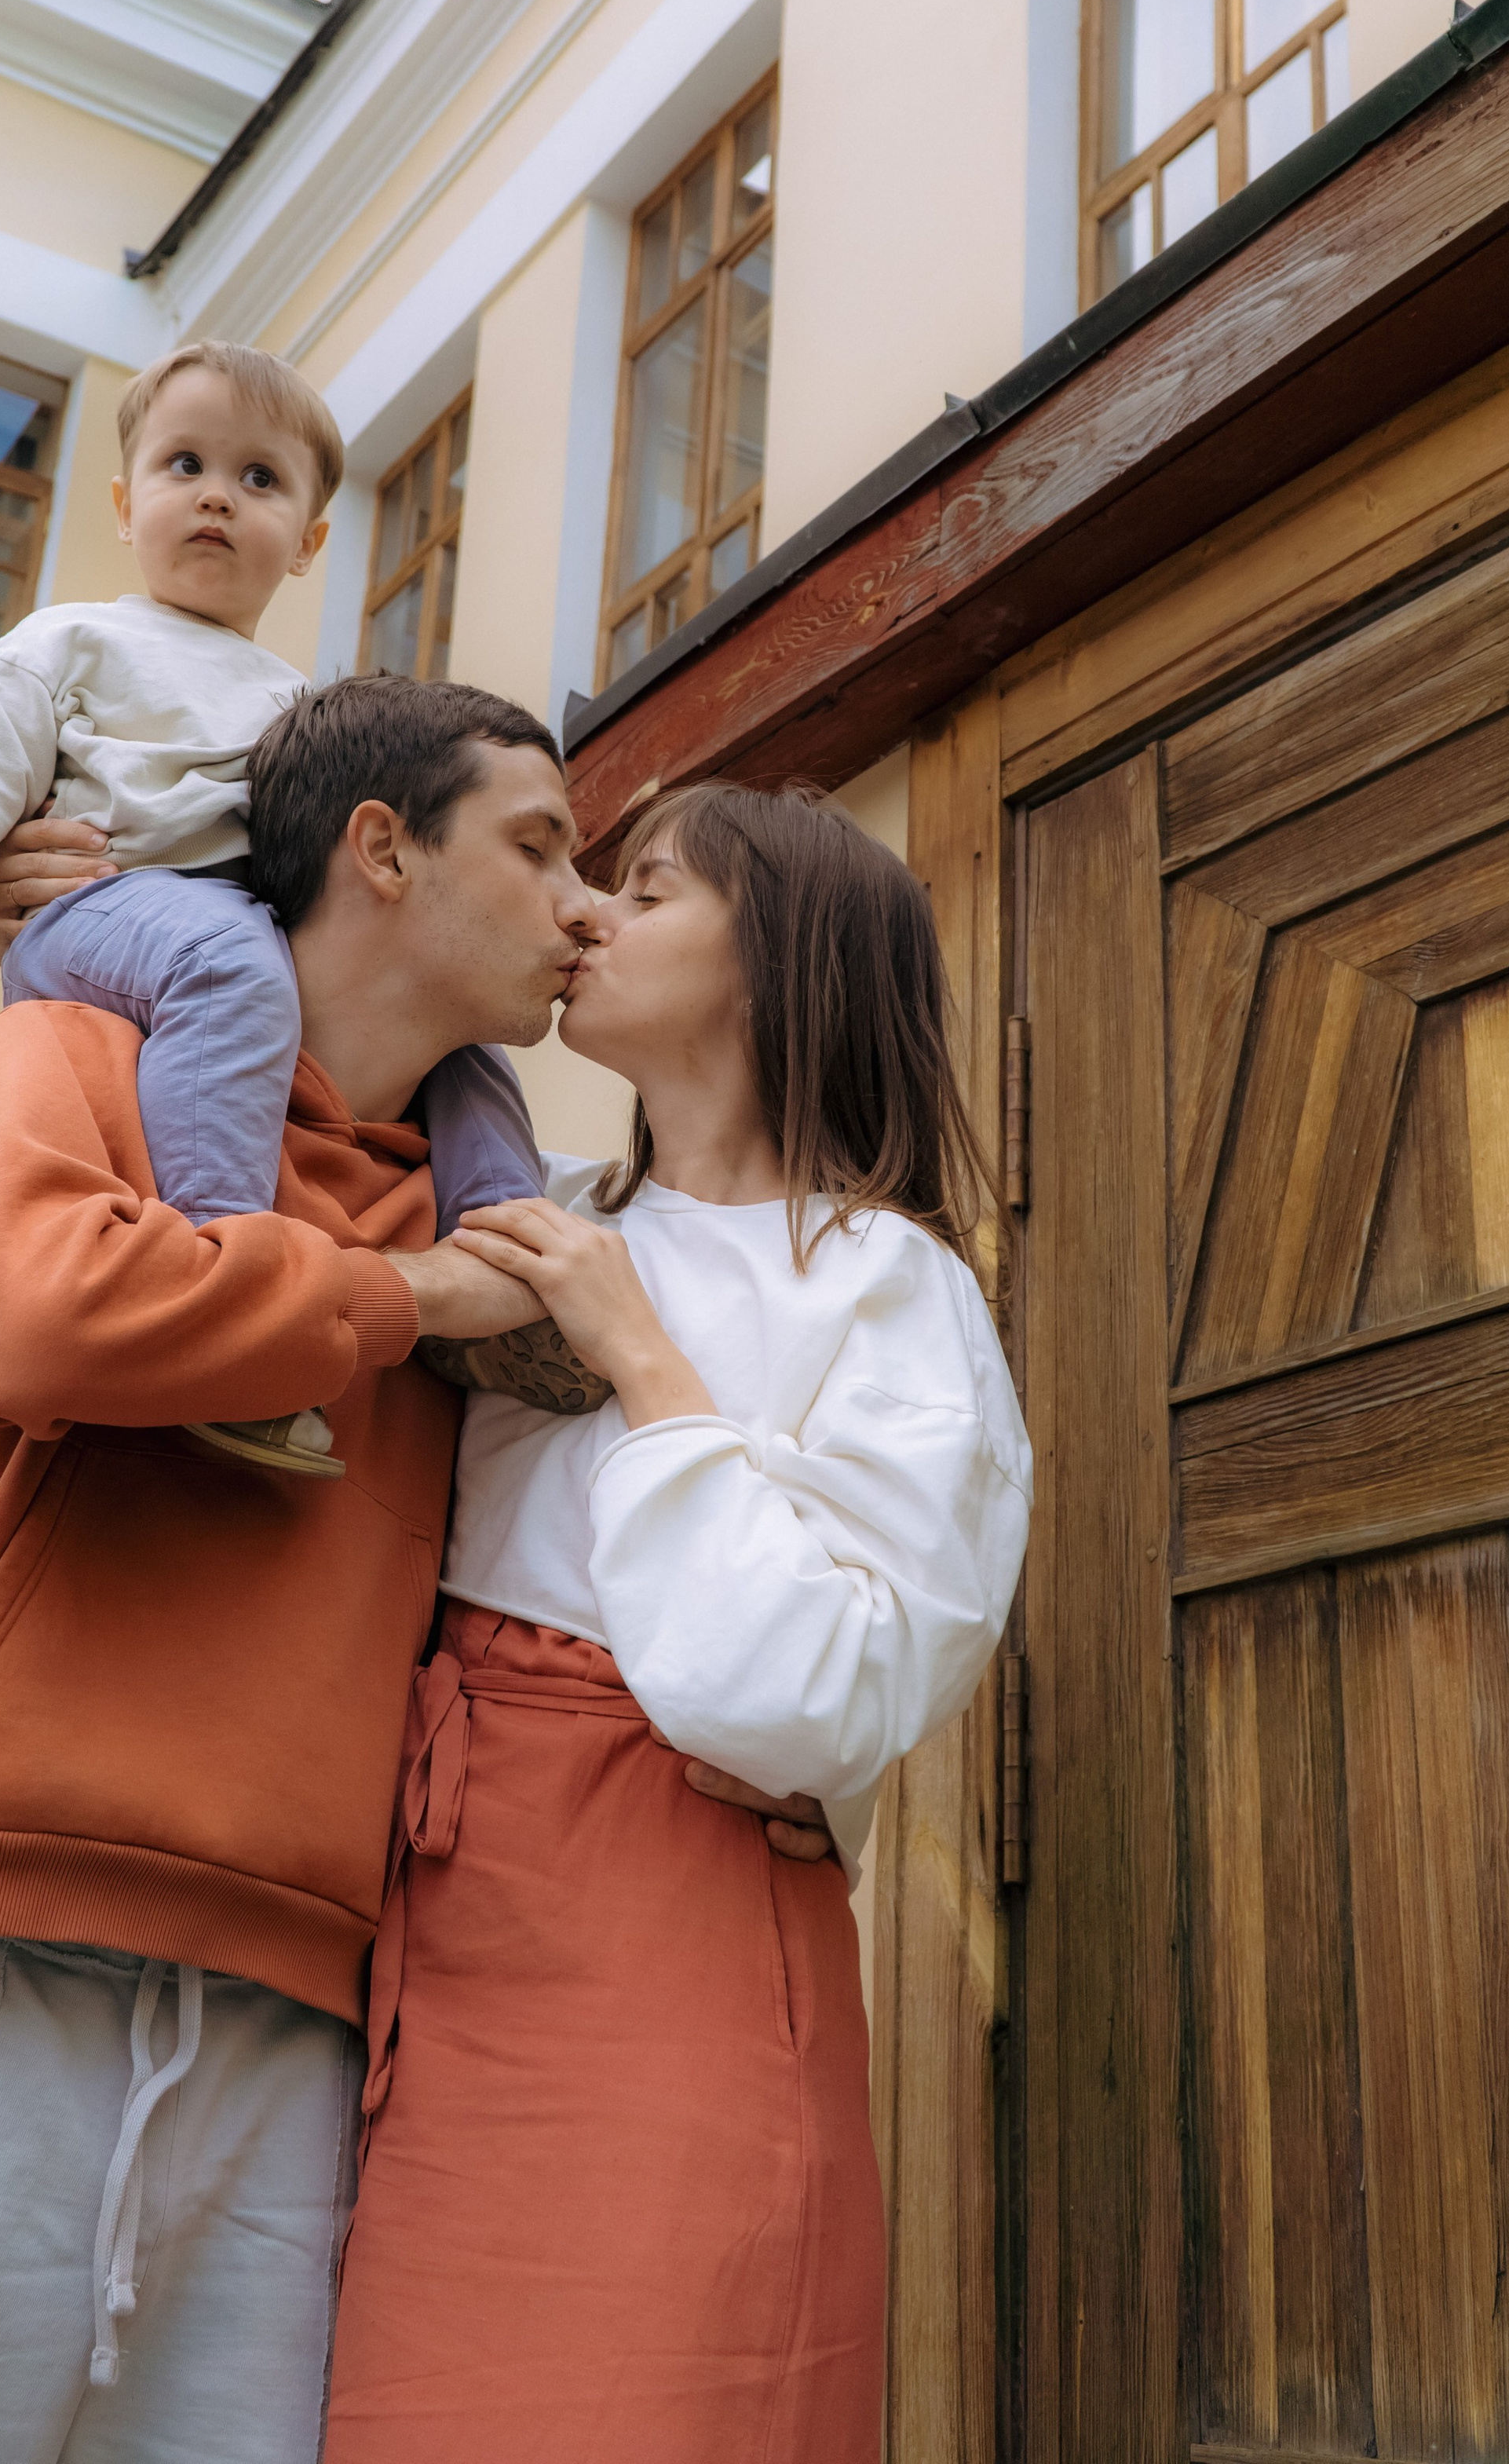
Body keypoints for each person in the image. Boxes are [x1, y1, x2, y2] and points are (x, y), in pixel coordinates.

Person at [0, 676, 608, 2464]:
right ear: (382, 850)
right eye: (540, 846)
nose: (582, 904)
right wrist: (399, 1302)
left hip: (298, 2017)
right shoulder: (67, 1061)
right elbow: (36, 1319)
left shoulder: (500, 1232)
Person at [322, 783, 1034, 2464]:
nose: (587, 914)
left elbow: (822, 1692)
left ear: (777, 956)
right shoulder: (531, 1212)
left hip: (673, 1928)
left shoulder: (887, 1285)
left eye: (644, 890)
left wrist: (642, 1361)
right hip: (418, 1910)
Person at [0, 338, 546, 1470]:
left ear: (309, 541)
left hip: (238, 937)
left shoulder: (303, 706)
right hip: (103, 909)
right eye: (185, 465)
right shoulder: (75, 641)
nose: (217, 494)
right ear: (127, 506)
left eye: (260, 478)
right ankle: (228, 1273)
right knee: (227, 962)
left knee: (459, 1035)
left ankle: (513, 1258)